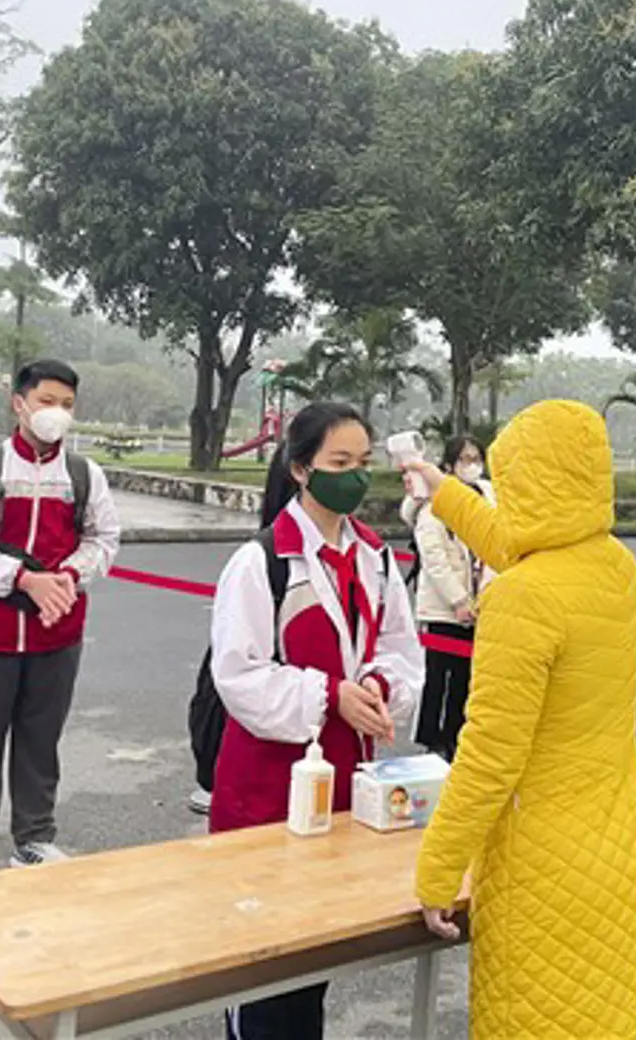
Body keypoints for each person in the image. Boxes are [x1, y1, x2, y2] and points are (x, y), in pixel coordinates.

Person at [411, 400, 636, 1040]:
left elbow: (490, 756)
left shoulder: (520, 598)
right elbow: (521, 542)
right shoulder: (614, 565)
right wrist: (446, 493)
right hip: (614, 851)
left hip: (541, 871)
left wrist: (437, 872)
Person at [208, 401, 423, 1039]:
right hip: (265, 791)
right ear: (301, 468)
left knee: (315, 959)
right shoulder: (262, 561)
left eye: (363, 463)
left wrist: (380, 687)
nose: (355, 477)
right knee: (265, 966)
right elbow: (238, 675)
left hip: (342, 790)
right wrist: (330, 696)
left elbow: (401, 652)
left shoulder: (375, 559)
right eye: (339, 463)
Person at [0, 359, 121, 880]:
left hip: (55, 634)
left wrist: (66, 577)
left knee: (41, 739)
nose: (56, 414)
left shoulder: (83, 475)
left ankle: (34, 837)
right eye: (46, 402)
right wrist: (23, 580)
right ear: (19, 403)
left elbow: (104, 540)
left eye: (66, 405)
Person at [410, 435, 495, 758]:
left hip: (477, 606)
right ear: (448, 466)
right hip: (442, 609)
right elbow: (435, 561)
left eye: (476, 458)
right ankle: (431, 739)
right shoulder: (432, 509)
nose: (471, 465)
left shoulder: (486, 502)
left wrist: (480, 598)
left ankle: (454, 735)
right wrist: (458, 601)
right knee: (438, 678)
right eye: (464, 460)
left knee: (464, 677)